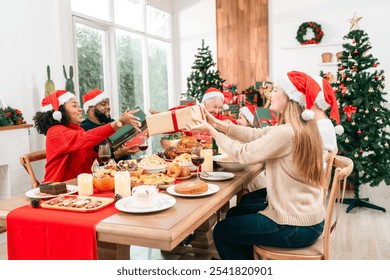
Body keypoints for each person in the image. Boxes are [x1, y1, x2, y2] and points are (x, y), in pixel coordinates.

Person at [186, 71, 326, 259]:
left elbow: (244, 154)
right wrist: (219, 124)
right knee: (235, 213)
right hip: (308, 219)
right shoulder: (301, 128)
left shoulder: (286, 134)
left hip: (293, 225)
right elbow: (255, 135)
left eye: (276, 90)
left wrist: (212, 132)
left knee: (221, 231)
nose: (271, 94)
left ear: (290, 99)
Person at [33, 90, 141, 183]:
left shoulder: (76, 129)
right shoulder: (56, 132)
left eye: (79, 106)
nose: (80, 109)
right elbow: (88, 137)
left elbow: (91, 159)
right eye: (74, 105)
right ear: (60, 112)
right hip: (58, 189)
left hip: (79, 185)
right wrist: (118, 123)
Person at [80, 88, 139, 162]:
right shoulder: (83, 130)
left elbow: (128, 141)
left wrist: (128, 125)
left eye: (108, 103)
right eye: (103, 104)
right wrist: (118, 154)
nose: (108, 107)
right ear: (91, 108)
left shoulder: (113, 122)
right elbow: (90, 161)